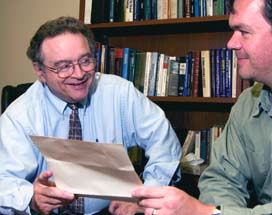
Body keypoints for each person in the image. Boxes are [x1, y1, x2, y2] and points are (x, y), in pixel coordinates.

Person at [132, 0, 272, 214]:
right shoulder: (247, 103)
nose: (231, 43)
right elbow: (220, 180)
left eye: (244, 32)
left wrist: (209, 213)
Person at [0, 16, 182, 215]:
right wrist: (32, 199)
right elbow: (4, 181)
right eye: (63, 66)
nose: (79, 74)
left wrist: (147, 197)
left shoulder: (119, 93)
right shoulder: (19, 116)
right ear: (40, 71)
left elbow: (164, 143)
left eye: (85, 60)